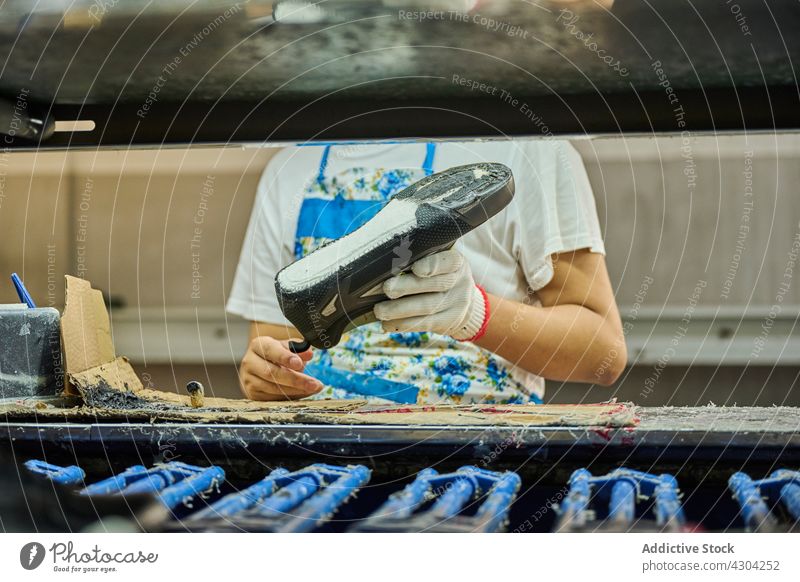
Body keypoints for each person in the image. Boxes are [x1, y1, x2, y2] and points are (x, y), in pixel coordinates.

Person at [227, 140, 626, 404]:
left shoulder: (530, 150)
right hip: (326, 452)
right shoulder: (294, 166)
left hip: (479, 455)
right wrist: (267, 375)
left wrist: (475, 313)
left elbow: (602, 353)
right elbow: (274, 345)